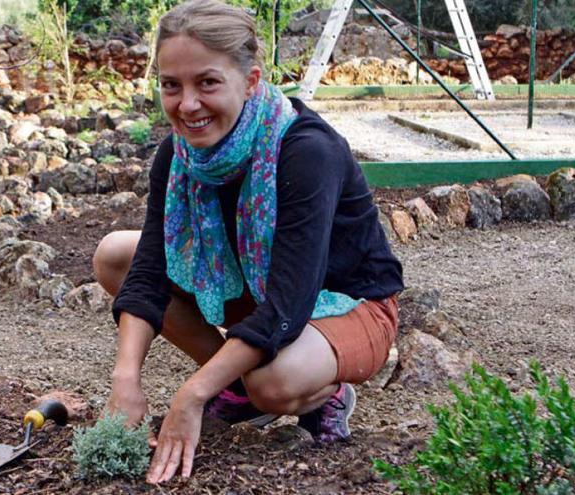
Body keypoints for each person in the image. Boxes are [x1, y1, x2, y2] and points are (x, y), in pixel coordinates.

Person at [93, 0, 404, 484]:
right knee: (116, 255)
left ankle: (322, 393)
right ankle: (236, 385)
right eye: (171, 85)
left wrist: (191, 395)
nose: (187, 104)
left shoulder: (305, 151)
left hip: (347, 304)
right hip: (258, 293)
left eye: (207, 82)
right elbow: (149, 269)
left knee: (273, 383)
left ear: (251, 80)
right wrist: (125, 378)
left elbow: (289, 302)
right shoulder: (178, 156)